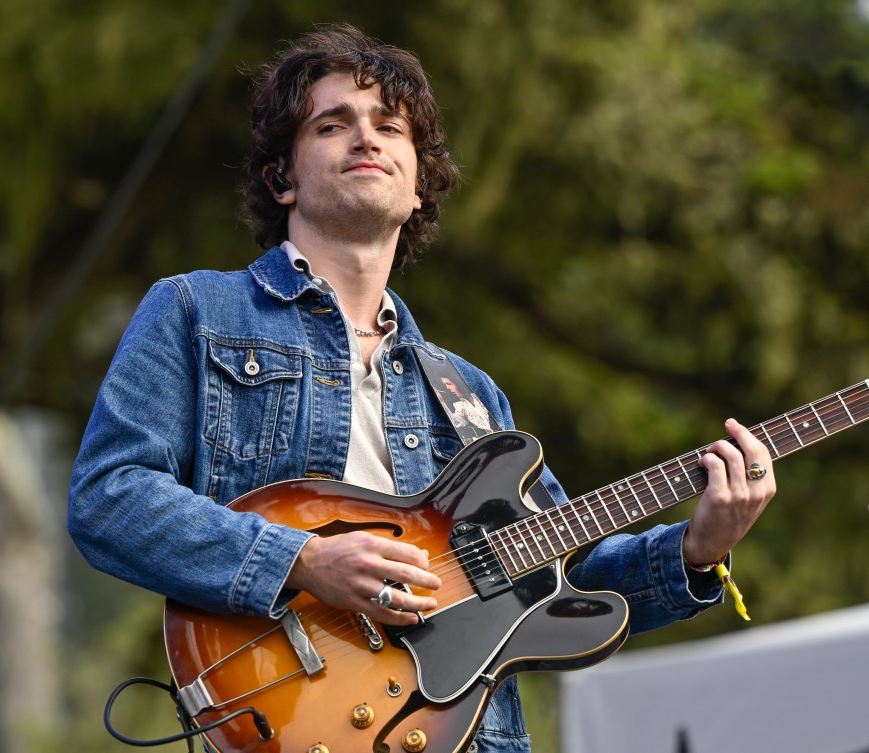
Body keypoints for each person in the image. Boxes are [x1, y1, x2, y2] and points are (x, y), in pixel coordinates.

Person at [68, 23, 777, 752]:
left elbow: (570, 576)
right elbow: (109, 497)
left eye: (390, 127)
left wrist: (698, 547)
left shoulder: (470, 391)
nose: (365, 139)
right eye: (332, 124)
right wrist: (303, 560)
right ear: (282, 177)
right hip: (283, 712)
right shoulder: (196, 311)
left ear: (418, 186)